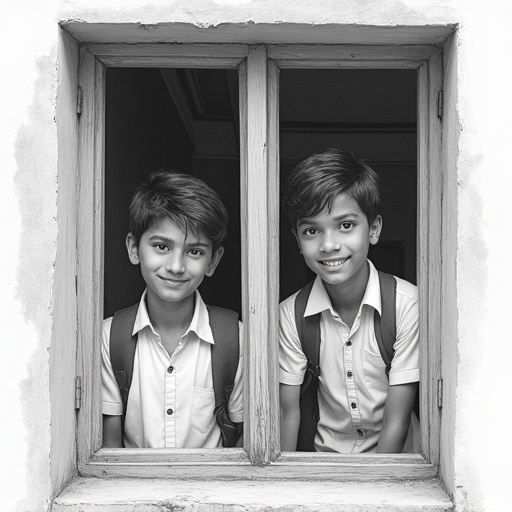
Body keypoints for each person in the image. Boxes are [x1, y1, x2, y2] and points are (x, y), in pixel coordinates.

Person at [279, 148, 419, 453]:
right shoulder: (291, 314)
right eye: (312, 230)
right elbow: (288, 413)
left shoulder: (406, 305)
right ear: (298, 240)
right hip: (325, 459)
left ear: (374, 229)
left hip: (397, 462)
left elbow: (398, 421)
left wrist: (378, 488)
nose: (329, 245)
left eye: (345, 225)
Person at [102, 169, 243, 448]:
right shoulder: (109, 338)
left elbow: (245, 440)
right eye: (162, 246)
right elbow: (109, 449)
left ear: (213, 261)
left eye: (194, 252)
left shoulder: (235, 339)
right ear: (134, 248)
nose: (176, 266)